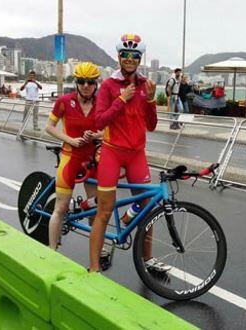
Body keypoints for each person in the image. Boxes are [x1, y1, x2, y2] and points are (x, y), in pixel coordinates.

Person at [90, 33, 159, 273]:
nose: (130, 59)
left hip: (137, 154)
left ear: (140, 58)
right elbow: (99, 121)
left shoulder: (144, 85)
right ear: (119, 56)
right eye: (126, 55)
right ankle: (94, 267)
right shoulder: (109, 86)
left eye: (135, 55)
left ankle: (148, 260)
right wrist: (120, 99)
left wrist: (150, 100)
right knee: (105, 211)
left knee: (148, 205)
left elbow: (152, 126)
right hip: (112, 152)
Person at [46, 62, 102, 250]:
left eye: (90, 82)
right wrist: (70, 139)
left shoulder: (102, 104)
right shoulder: (64, 101)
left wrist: (96, 136)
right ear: (76, 82)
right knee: (60, 208)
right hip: (70, 157)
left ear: (96, 84)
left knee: (95, 208)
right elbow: (49, 127)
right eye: (81, 81)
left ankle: (96, 249)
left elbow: (111, 129)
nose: (86, 86)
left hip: (92, 160)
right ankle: (52, 250)